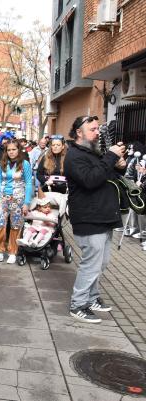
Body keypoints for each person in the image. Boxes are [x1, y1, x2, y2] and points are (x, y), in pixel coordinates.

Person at [65, 115, 125, 323]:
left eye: (98, 129)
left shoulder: (92, 152)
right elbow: (90, 181)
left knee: (101, 262)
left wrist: (119, 165)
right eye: (92, 129)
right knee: (91, 264)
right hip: (89, 217)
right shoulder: (73, 155)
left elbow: (107, 177)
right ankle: (78, 304)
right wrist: (110, 157)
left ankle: (91, 298)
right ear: (79, 133)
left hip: (104, 215)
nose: (97, 132)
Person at [0, 139, 33, 264]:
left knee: (15, 225)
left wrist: (27, 202)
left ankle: (13, 251)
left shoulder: (25, 164)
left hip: (18, 198)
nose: (11, 152)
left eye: (14, 149)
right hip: (3, 198)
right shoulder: (3, 163)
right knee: (0, 223)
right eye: (9, 150)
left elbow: (29, 183)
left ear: (18, 150)